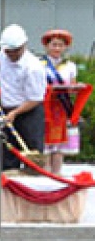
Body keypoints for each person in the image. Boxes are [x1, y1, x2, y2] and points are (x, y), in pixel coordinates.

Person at [0, 24, 46, 171]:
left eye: (15, 51)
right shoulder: (4, 54)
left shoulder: (33, 67)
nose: (11, 54)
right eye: (8, 51)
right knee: (6, 152)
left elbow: (36, 98)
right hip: (6, 110)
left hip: (27, 112)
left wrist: (15, 113)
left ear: (24, 45)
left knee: (30, 152)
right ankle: (6, 179)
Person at [40, 29, 77, 174]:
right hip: (44, 106)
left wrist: (74, 88)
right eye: (54, 45)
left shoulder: (70, 66)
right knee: (44, 140)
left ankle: (56, 173)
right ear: (47, 46)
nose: (57, 48)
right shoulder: (40, 64)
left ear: (65, 47)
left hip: (62, 108)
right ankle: (44, 172)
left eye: (60, 45)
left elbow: (73, 86)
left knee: (59, 143)